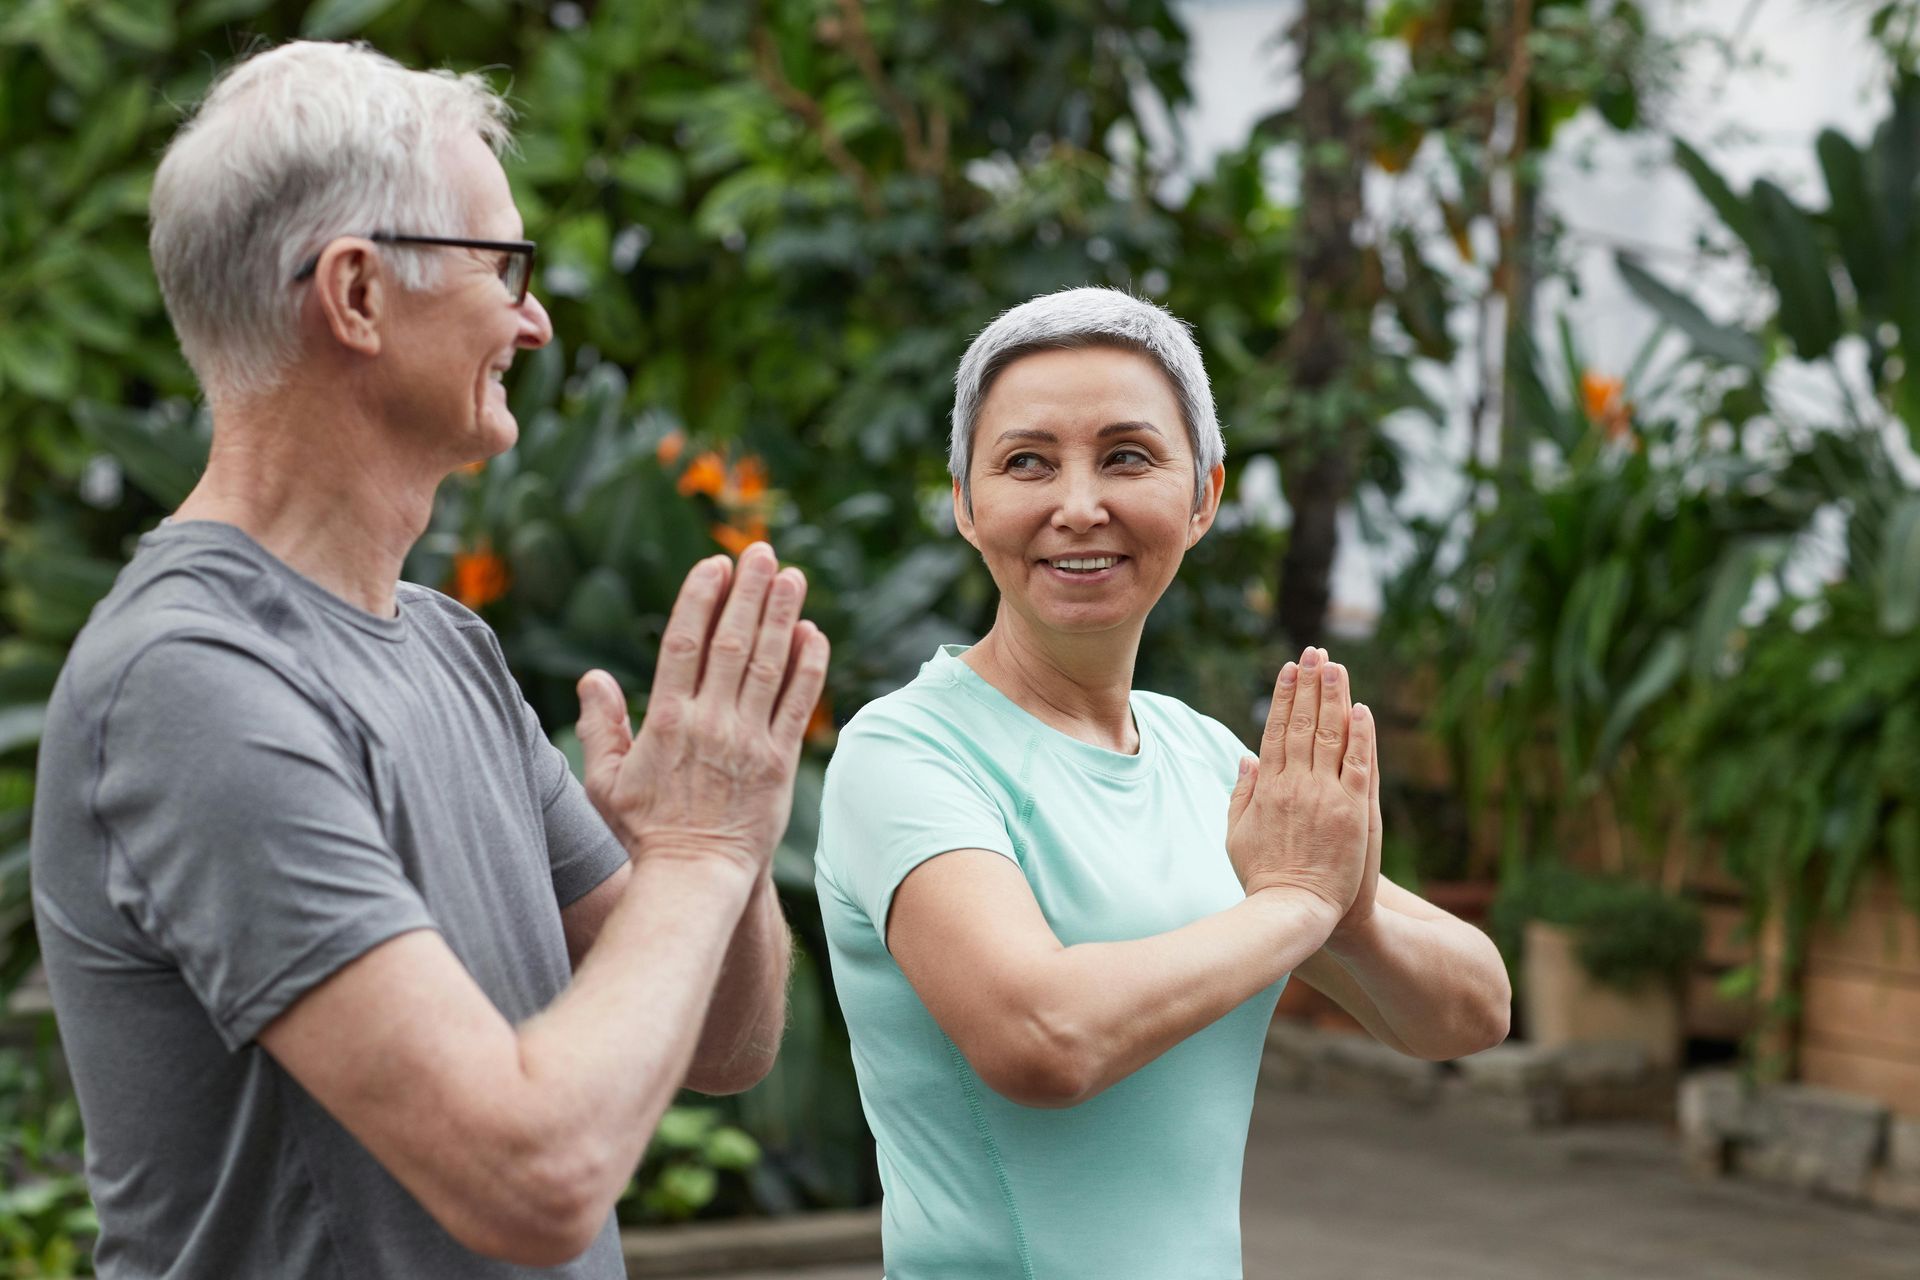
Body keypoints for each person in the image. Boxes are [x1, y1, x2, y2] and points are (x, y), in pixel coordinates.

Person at [29, 41, 828, 1279]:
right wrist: (703, 848)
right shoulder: (191, 681)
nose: (536, 315)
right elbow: (534, 1177)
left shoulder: (448, 645)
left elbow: (725, 1045)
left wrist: (723, 845)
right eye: (503, 264)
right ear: (356, 295)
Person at [814, 286, 1512, 1278]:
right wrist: (1297, 902)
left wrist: (1345, 914)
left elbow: (1472, 1008)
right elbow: (1041, 1036)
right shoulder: (907, 752)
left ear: (1204, 496)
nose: (1079, 504)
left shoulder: (1197, 754)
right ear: (967, 504)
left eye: (1128, 455)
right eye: (1026, 461)